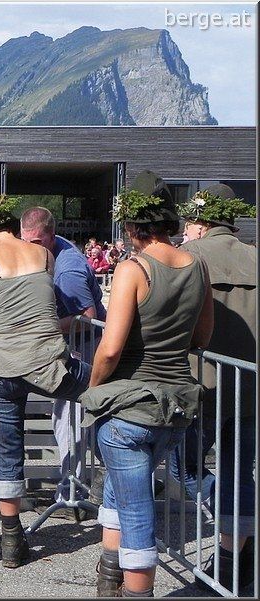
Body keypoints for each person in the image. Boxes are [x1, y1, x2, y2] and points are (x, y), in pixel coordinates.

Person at [77, 171, 213, 597]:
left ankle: (136, 592)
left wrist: (92, 390)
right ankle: (109, 577)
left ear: (131, 224)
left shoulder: (132, 268)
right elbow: (202, 337)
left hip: (130, 408)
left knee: (137, 510)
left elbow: (110, 349)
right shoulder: (198, 267)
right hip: (176, 409)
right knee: (120, 489)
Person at [0, 194, 92, 569]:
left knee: (8, 455)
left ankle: (12, 541)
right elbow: (42, 306)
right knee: (104, 390)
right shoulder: (44, 255)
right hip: (48, 364)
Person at [169, 183, 256, 592]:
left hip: (201, 382)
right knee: (240, 472)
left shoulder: (190, 257)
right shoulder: (254, 256)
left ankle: (231, 547)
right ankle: (240, 547)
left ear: (200, 223)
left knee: (183, 466)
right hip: (251, 384)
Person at [20, 206, 108, 519]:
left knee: (70, 420)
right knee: (77, 420)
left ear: (52, 236)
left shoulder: (67, 269)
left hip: (82, 349)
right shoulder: (49, 254)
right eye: (26, 242)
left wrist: (39, 327)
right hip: (71, 347)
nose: (30, 249)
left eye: (37, 242)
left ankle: (71, 495)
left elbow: (87, 317)